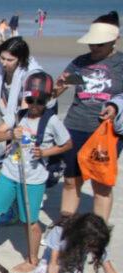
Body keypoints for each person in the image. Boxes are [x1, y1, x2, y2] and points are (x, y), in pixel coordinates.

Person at [0, 73, 73, 272]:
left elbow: (67, 144)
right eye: (30, 100)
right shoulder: (17, 116)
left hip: (34, 179)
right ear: (25, 99)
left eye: (40, 101)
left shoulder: (52, 121)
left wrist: (45, 152)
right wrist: (10, 133)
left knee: (30, 221)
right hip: (9, 174)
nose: (35, 105)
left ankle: (32, 259)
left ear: (47, 100)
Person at [55, 11, 123, 222]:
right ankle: (65, 231)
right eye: (92, 44)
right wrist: (58, 86)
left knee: (101, 185)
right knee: (71, 181)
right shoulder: (80, 62)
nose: (94, 48)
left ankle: (97, 239)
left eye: (100, 44)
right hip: (74, 126)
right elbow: (59, 90)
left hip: (106, 132)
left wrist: (114, 107)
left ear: (114, 40)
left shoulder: (121, 63)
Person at [26, 213, 123, 273]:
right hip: (50, 262)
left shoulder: (100, 239)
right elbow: (53, 265)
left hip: (72, 265)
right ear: (80, 237)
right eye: (91, 246)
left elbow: (110, 271)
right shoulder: (60, 231)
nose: (94, 249)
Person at [0, 37, 54, 129]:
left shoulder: (32, 76)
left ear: (20, 59)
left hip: (36, 113)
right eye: (2, 58)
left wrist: (13, 129)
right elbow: (0, 101)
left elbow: (27, 109)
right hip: (15, 116)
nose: (4, 63)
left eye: (10, 60)